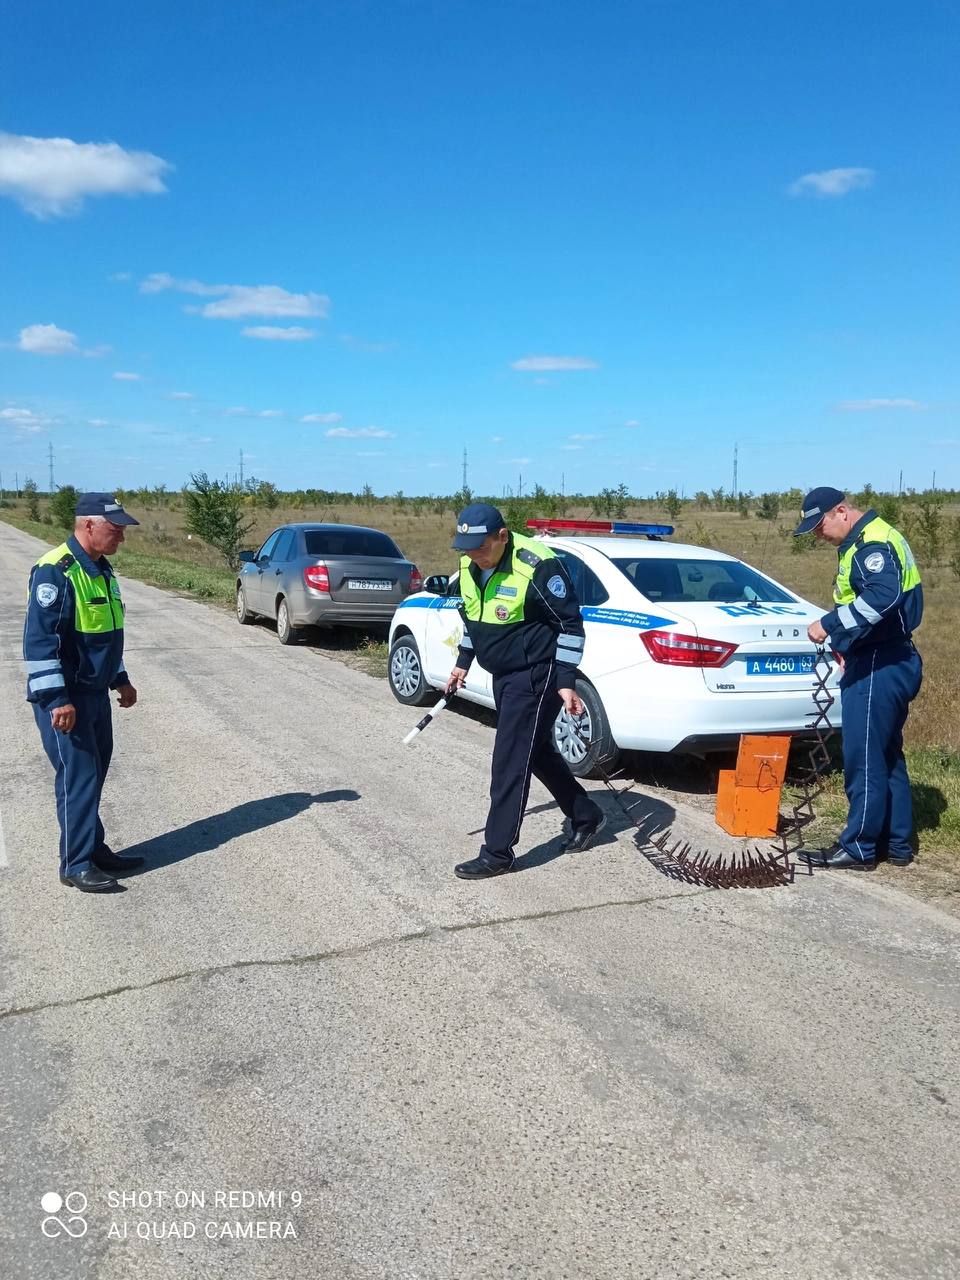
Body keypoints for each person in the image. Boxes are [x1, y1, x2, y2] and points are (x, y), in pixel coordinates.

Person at [445, 503, 605, 879]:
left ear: (503, 536)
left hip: (535, 674)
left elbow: (570, 624)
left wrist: (565, 680)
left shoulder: (537, 565)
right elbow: (474, 616)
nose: (473, 555)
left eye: (480, 547)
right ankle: (586, 814)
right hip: (503, 673)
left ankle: (497, 852)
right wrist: (463, 661)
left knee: (509, 760)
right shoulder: (471, 565)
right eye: (465, 547)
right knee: (532, 751)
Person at [793, 487, 923, 870]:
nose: (818, 535)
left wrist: (830, 624)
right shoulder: (873, 536)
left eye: (820, 526)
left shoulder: (870, 543)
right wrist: (846, 644)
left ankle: (860, 847)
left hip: (880, 663)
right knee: (886, 754)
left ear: (842, 511)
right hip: (890, 656)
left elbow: (883, 596)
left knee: (863, 758)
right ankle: (897, 844)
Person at [23, 493, 143, 892]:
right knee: (79, 777)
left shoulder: (102, 571)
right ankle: (75, 865)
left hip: (95, 694)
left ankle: (92, 847)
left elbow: (105, 637)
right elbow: (41, 644)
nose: (121, 538)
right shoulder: (55, 571)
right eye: (116, 529)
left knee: (94, 773)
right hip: (67, 699)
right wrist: (57, 700)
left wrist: (119, 678)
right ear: (88, 525)